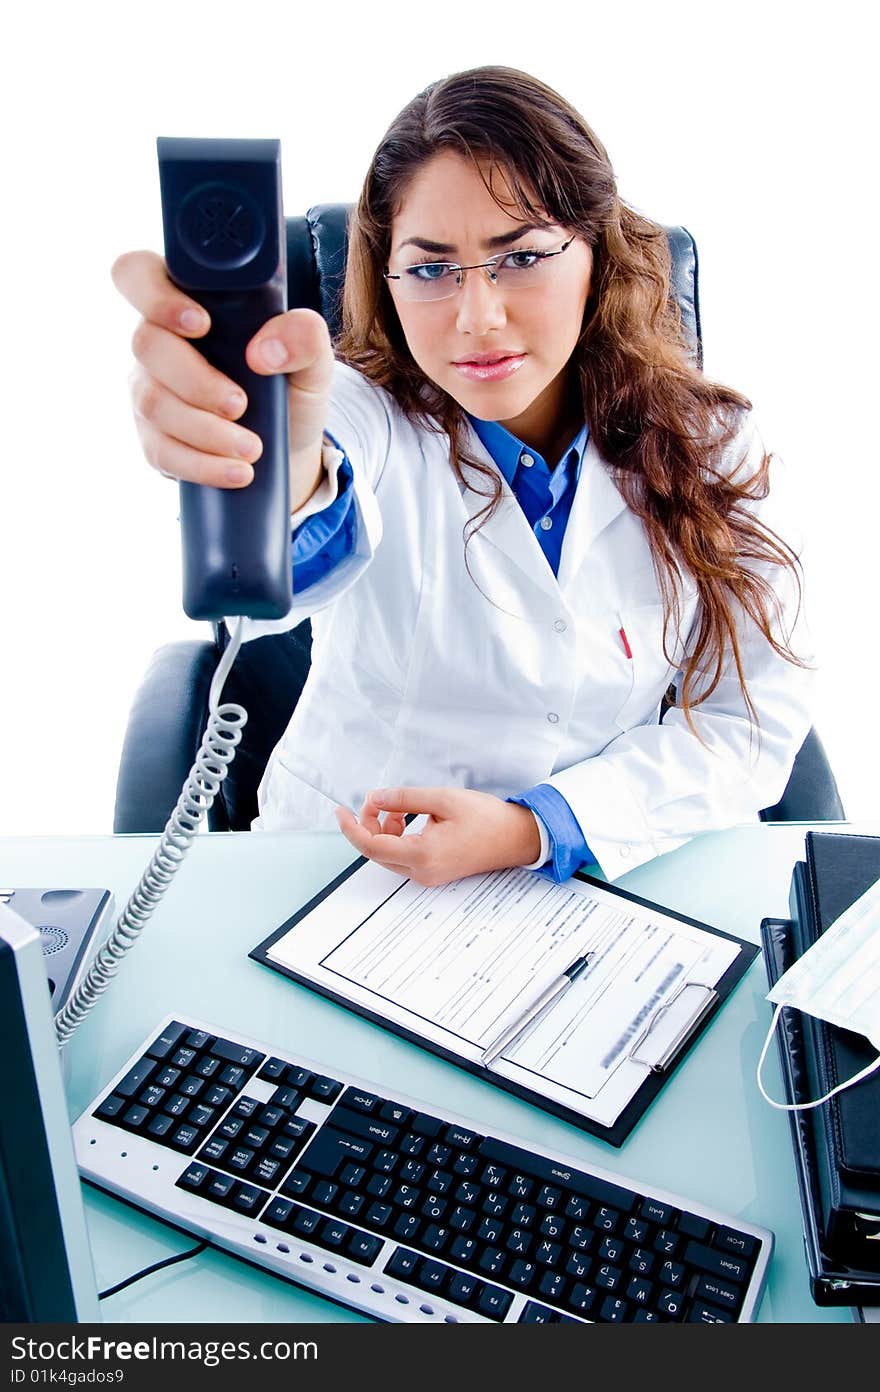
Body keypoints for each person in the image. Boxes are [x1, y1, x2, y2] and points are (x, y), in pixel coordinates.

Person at [113, 65, 811, 886]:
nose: (477, 317)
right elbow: (306, 516)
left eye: (519, 257)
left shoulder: (710, 441)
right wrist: (272, 468)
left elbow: (749, 723)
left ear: (597, 254)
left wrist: (534, 826)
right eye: (432, 268)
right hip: (340, 873)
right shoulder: (362, 411)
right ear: (387, 274)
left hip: (595, 876)